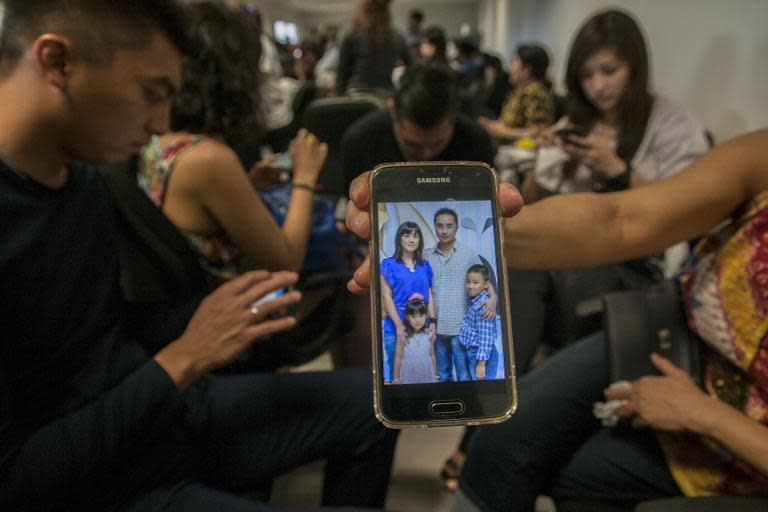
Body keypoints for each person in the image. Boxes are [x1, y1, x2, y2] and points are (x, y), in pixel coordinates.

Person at [0, 2, 397, 510]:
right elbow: (14, 478)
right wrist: (185, 357)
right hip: (98, 476)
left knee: (377, 406)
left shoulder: (84, 178)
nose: (160, 122)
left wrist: (217, 320)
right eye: (152, 94)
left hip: (158, 415)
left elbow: (105, 327)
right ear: (57, 63)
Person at [345, 124, 768, 508]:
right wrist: (496, 226)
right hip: (675, 333)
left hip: (738, 432)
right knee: (501, 440)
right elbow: (621, 219)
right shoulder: (757, 151)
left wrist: (707, 415)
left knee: (571, 475)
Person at [137, 1, 328, 284]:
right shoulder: (210, 159)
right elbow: (286, 263)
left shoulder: (164, 141)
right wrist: (305, 176)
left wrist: (247, 184)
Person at [523, 10, 709, 201]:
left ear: (634, 68)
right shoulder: (577, 121)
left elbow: (686, 206)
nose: (598, 86)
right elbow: (529, 200)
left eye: (609, 71)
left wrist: (618, 170)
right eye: (586, 76)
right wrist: (544, 157)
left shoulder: (671, 122)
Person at [342, 63, 494, 191]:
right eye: (412, 145)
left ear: (454, 118)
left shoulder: (476, 142)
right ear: (393, 112)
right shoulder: (361, 140)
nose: (425, 155)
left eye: (437, 144)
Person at [425, 208, 497, 383]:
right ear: (435, 227)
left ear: (456, 227)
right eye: (440, 226)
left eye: (449, 226)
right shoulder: (426, 255)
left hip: (461, 329)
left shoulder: (468, 254)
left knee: (464, 376)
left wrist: (493, 298)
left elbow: (485, 280)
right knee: (443, 375)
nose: (444, 230)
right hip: (437, 327)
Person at [380, 221, 435, 383]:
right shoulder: (388, 264)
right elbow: (387, 297)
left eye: (415, 236)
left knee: (422, 370)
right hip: (395, 326)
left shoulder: (425, 266)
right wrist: (398, 325)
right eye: (407, 235)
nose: (412, 240)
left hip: (421, 326)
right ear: (399, 239)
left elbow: (430, 295)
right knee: (395, 372)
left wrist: (432, 320)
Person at [478, 44, 555, 142]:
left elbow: (538, 134)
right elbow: (508, 124)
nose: (510, 67)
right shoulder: (520, 91)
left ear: (526, 70)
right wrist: (493, 126)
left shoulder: (536, 93)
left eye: (514, 62)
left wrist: (501, 132)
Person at [336, 0, 410, 96]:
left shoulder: (351, 35)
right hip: (385, 96)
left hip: (355, 95)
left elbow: (341, 74)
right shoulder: (397, 37)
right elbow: (413, 69)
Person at [456, 264, 499, 381]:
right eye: (468, 282)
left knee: (482, 386)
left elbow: (486, 337)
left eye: (475, 283)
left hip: (480, 354)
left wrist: (481, 364)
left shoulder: (483, 306)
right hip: (474, 351)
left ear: (486, 284)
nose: (470, 286)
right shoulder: (475, 299)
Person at [392, 294, 438, 385]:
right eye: (413, 317)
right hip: (409, 375)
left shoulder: (429, 334)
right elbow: (398, 358)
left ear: (426, 316)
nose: (417, 320)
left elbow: (432, 355)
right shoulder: (403, 336)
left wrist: (435, 376)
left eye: (421, 316)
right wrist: (396, 379)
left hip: (426, 375)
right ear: (407, 317)